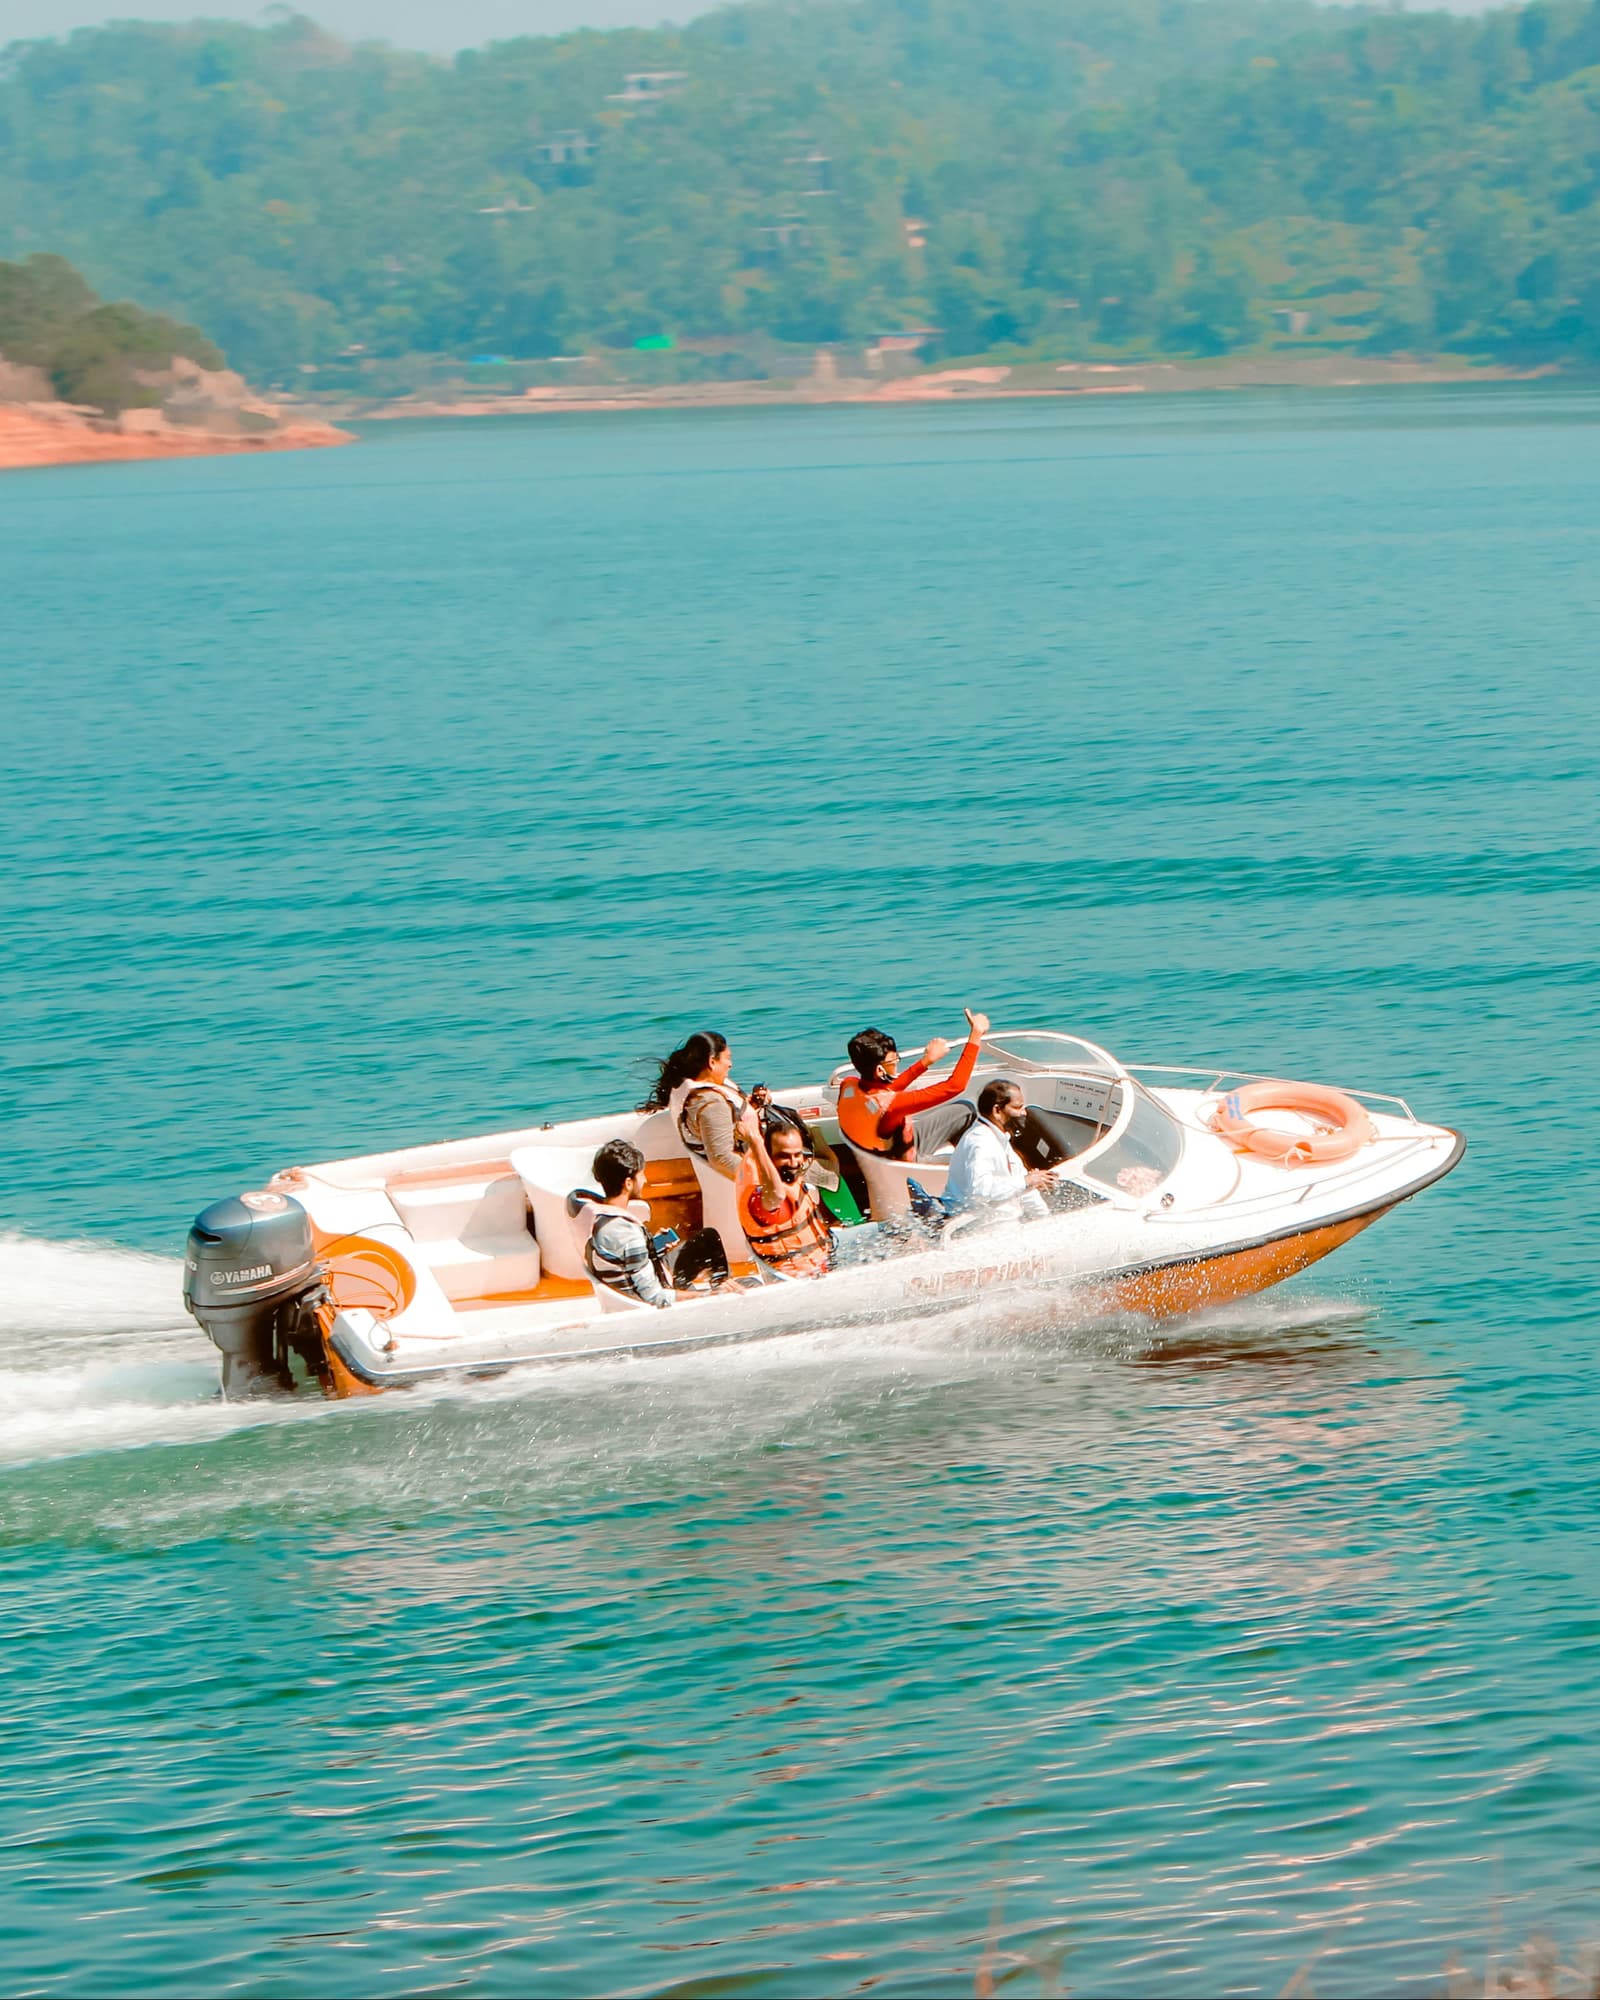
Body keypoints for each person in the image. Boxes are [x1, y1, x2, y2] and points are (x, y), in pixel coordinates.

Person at [580, 1138, 733, 1307]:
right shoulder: (628, 1234)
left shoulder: (601, 1217)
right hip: (658, 1297)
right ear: (628, 1183)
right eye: (641, 1174)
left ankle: (722, 1288)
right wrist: (709, 1296)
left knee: (708, 1238)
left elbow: (625, 1258)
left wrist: (652, 1247)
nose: (645, 1180)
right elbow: (655, 1297)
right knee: (713, 1250)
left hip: (652, 1273)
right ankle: (724, 1300)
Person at [837, 1006, 990, 1161]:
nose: (896, 1063)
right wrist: (976, 1034)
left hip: (883, 1156)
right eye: (893, 1061)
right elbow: (955, 1086)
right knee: (969, 1160)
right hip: (907, 1166)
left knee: (965, 1109)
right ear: (879, 1070)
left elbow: (886, 1090)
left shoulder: (849, 1086)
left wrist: (926, 1061)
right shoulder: (892, 1107)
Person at [944, 1078, 1058, 1223]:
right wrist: (1026, 1181)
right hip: (981, 1227)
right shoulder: (980, 1143)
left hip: (1002, 1220)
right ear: (997, 1110)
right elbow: (979, 1190)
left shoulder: (999, 1138)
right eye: (1017, 1108)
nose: (1024, 1113)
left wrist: (1045, 1219)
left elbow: (1023, 1185)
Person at [639, 1031, 746, 1184]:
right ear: (712, 1062)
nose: (731, 1064)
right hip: (747, 1178)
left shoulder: (683, 1089)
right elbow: (722, 1158)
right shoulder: (711, 1105)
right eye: (727, 1058)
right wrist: (764, 1182)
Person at [738, 1112, 836, 1279]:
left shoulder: (786, 1177)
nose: (793, 1163)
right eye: (783, 1156)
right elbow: (776, 1194)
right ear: (767, 1156)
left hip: (823, 1260)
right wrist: (755, 1142)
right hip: (799, 1276)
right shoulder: (762, 1198)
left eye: (797, 1154)